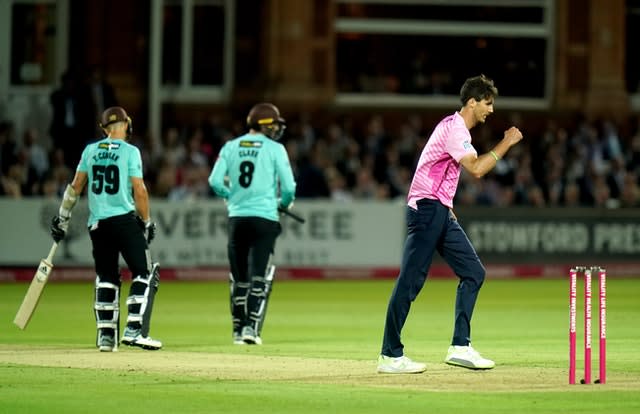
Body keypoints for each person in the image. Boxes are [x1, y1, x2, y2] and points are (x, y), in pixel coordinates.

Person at [376, 74, 524, 374]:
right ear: (472, 102)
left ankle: (460, 347)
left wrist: (448, 205)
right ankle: (390, 355)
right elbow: (478, 169)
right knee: (410, 281)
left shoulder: (452, 127)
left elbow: (435, 168)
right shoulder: (455, 129)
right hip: (427, 209)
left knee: (473, 272)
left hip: (439, 209)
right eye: (488, 103)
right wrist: (507, 142)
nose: (491, 110)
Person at [50, 106, 162, 352]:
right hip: (123, 219)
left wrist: (63, 217)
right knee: (145, 272)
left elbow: (76, 185)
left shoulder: (90, 151)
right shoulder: (131, 152)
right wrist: (147, 221)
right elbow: (140, 190)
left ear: (104, 129)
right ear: (126, 125)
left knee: (107, 277)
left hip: (97, 225)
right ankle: (134, 331)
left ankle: (106, 338)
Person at [208, 102, 296, 345]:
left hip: (237, 217)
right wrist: (283, 202)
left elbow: (215, 181)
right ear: (265, 125)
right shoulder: (275, 149)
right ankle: (250, 329)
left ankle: (238, 329)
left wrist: (230, 196)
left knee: (239, 277)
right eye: (274, 124)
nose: (277, 129)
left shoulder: (230, 146)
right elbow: (288, 187)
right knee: (258, 275)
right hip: (265, 217)